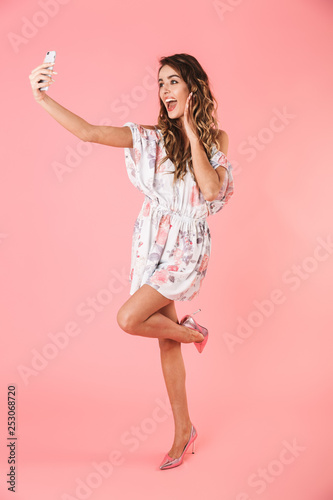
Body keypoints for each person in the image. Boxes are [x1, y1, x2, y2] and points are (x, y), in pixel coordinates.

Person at [29, 52, 234, 470]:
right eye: (160, 83)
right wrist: (41, 97)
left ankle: (193, 334)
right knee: (165, 338)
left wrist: (193, 133)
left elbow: (211, 190)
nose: (164, 90)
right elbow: (88, 132)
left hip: (187, 246)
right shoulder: (151, 138)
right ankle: (184, 429)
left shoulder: (217, 140)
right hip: (153, 241)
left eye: (173, 81)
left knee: (128, 318)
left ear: (193, 87)